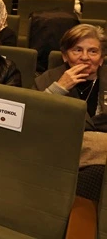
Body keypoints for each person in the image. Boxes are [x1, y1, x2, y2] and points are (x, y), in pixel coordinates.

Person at [34, 24, 107, 200]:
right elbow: (31, 119)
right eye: (77, 50)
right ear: (65, 56)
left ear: (101, 59)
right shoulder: (48, 79)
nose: (85, 57)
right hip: (58, 156)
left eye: (93, 51)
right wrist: (59, 88)